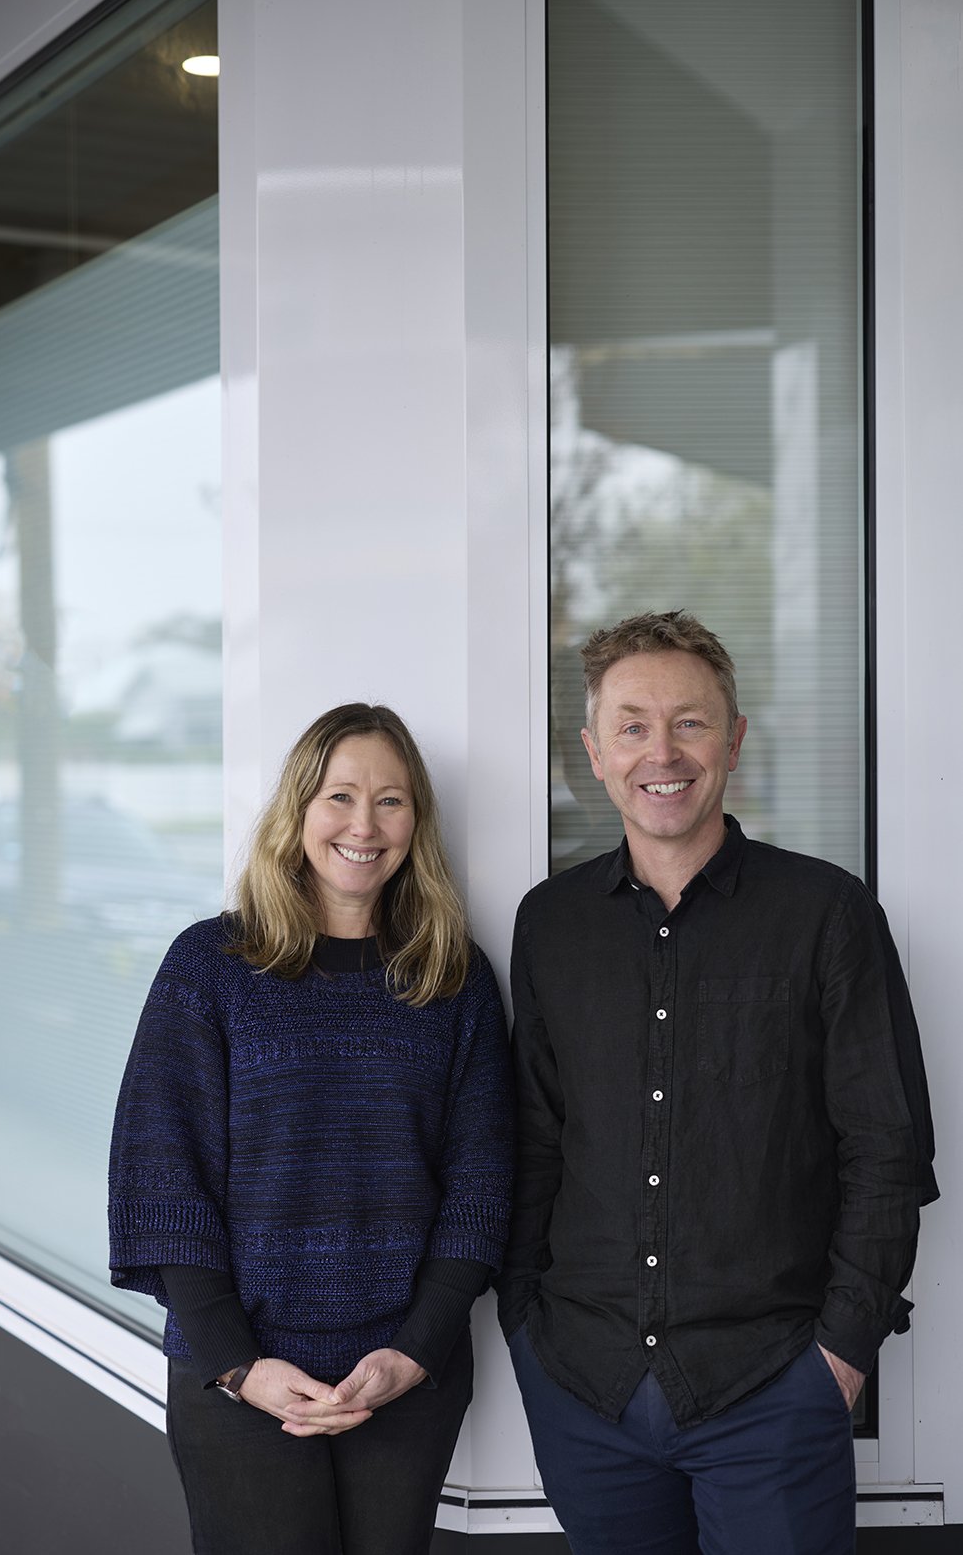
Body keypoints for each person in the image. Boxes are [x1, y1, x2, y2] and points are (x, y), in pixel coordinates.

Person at [497, 611, 937, 1555]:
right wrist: (525, 1328)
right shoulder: (551, 925)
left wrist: (841, 1356)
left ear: (734, 740)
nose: (663, 751)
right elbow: (533, 1140)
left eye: (690, 722)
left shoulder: (828, 913)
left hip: (771, 1391)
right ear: (595, 752)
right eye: (632, 725)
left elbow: (887, 1148)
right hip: (585, 1387)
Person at [109, 703, 513, 1555]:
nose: (364, 825)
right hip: (239, 1378)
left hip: (403, 1378)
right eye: (339, 796)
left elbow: (483, 1181)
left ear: (417, 822)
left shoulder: (453, 977)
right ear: (298, 811)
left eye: (392, 801)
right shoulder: (211, 967)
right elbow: (160, 1176)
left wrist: (417, 1349)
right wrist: (238, 1364)